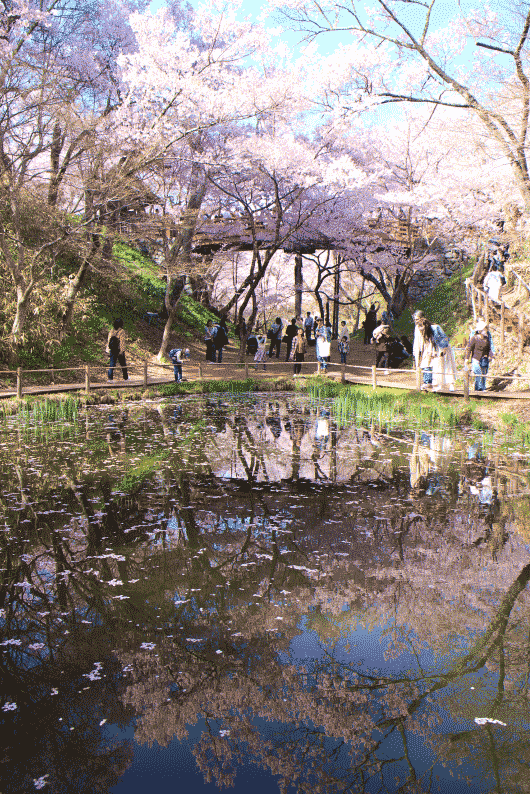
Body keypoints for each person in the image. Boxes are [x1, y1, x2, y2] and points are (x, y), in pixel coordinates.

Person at [465, 320, 492, 391]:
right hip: (475, 359)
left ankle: (481, 388)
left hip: (484, 359)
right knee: (478, 373)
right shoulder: (474, 338)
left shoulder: (486, 339)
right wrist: (467, 359)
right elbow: (469, 348)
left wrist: (491, 356)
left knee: (483, 374)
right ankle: (478, 389)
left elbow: (489, 349)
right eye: (484, 329)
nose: (486, 330)